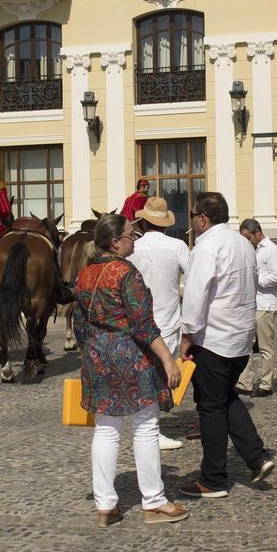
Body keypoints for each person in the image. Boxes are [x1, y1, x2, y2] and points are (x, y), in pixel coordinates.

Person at [73, 213, 187, 527]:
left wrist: (92, 351)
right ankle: (154, 501)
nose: (133, 239)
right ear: (115, 242)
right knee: (145, 427)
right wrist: (167, 359)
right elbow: (142, 325)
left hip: (98, 355)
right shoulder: (126, 273)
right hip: (130, 356)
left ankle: (106, 505)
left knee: (106, 431)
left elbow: (79, 323)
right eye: (129, 234)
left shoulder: (85, 274)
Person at [178, 192, 273, 499]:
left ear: (202, 218)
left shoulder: (207, 246)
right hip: (240, 338)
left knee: (211, 408)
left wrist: (187, 337)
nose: (192, 221)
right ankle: (256, 457)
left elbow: (196, 295)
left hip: (214, 338)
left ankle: (213, 478)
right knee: (224, 398)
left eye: (193, 215)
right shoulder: (242, 243)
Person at [128, 197, 190, 450]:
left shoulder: (133, 247)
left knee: (145, 372)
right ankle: (151, 428)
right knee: (162, 372)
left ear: (143, 222)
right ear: (165, 223)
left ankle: (145, 423)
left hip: (140, 319)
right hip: (168, 317)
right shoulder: (177, 246)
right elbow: (192, 275)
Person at [236, 219, 277, 397]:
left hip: (265, 303)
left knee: (265, 347)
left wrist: (255, 279)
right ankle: (244, 382)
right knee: (247, 345)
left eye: (248, 237)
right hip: (252, 303)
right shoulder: (251, 249)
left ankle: (266, 383)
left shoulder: (271, 250)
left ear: (257, 233)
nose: (247, 241)